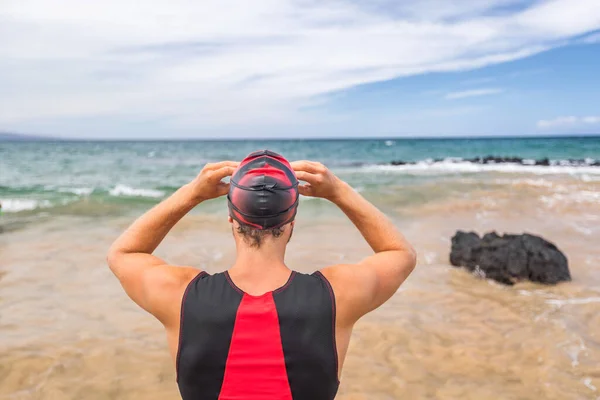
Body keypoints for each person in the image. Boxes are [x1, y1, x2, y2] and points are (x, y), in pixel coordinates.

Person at [107, 150, 417, 400]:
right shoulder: (337, 296)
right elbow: (400, 254)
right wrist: (339, 192)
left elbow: (123, 254)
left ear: (231, 219)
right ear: (292, 222)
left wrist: (192, 194)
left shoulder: (179, 294)